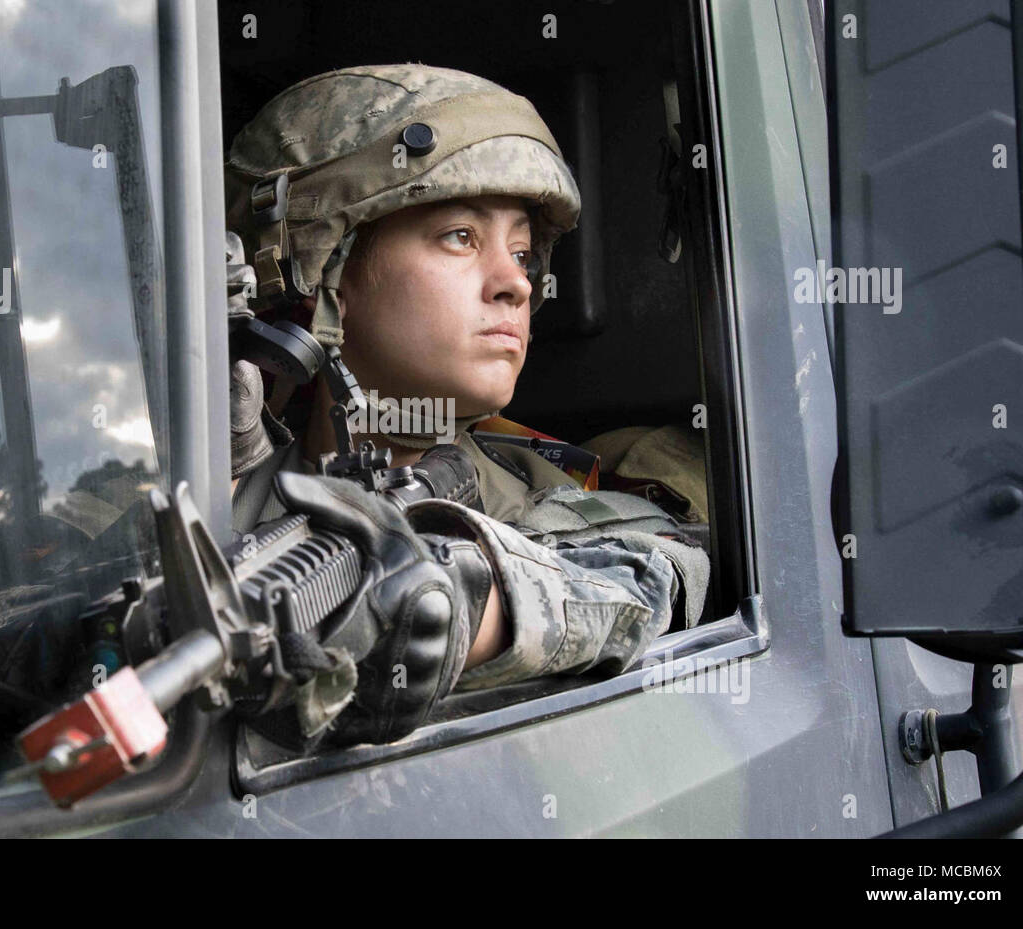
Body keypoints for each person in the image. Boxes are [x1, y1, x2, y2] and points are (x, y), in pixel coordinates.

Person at [225, 64, 709, 752]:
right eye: (460, 236)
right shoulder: (221, 468)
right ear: (318, 264)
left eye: (521, 251)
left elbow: (649, 575)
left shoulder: (554, 498)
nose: (516, 281)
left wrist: (448, 605)